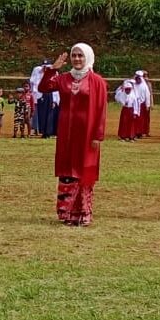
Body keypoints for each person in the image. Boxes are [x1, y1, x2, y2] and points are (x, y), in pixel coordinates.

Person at [39, 43, 107, 226]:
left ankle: (83, 213)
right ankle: (67, 213)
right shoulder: (63, 79)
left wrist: (97, 135)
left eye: (80, 56)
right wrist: (52, 69)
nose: (77, 59)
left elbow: (101, 109)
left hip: (87, 135)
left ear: (88, 57)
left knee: (84, 171)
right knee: (67, 170)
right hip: (67, 133)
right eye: (74, 55)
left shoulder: (97, 81)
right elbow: (44, 87)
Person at [134, 71, 152, 139]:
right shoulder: (133, 84)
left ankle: (140, 133)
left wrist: (147, 105)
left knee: (141, 119)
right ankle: (134, 132)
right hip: (134, 104)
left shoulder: (144, 86)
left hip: (142, 104)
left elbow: (147, 96)